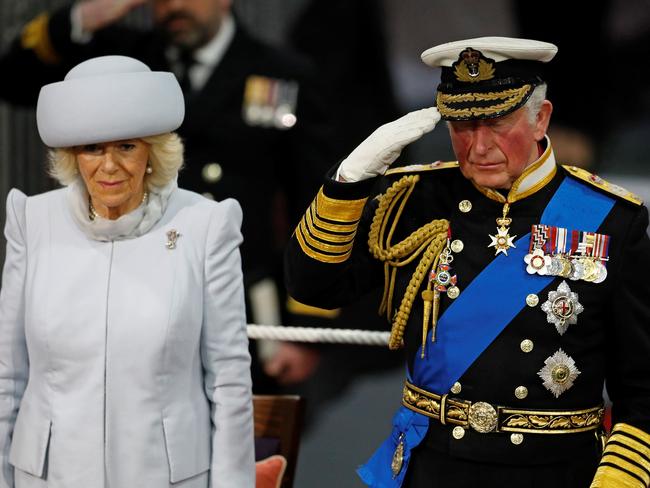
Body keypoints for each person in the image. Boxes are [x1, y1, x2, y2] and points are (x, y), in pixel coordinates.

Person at [284, 36, 650, 487]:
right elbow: (314, 287)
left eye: (497, 122)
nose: (478, 146)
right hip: (434, 468)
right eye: (462, 125)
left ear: (542, 119)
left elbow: (642, 388)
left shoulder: (609, 219)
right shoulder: (414, 199)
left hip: (556, 474)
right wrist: (346, 184)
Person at [0, 0, 335, 392]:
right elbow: (13, 79)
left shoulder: (283, 73)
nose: (174, 6)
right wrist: (84, 17)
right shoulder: (125, 60)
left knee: (245, 441)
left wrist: (308, 330)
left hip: (242, 302)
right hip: (130, 293)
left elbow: (317, 201)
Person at [0, 55, 254, 488]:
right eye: (93, 148)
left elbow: (229, 382)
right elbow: (9, 375)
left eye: (127, 146)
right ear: (72, 156)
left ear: (153, 150)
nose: (110, 166)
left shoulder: (205, 224)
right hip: (48, 476)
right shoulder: (31, 220)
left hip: (165, 476)